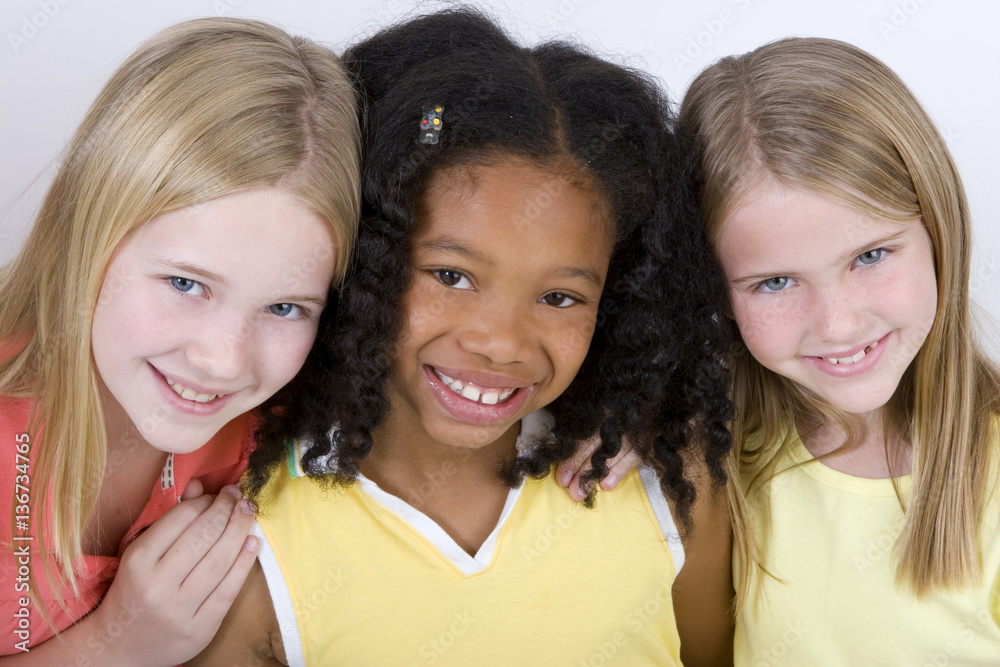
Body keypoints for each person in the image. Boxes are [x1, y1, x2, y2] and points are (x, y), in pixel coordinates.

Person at [191, 9, 735, 667]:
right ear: (367, 257)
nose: (502, 342)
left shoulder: (666, 481)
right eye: (451, 274)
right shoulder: (241, 542)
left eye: (560, 296)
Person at [0, 17, 361, 665]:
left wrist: (596, 413)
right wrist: (115, 647)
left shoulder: (274, 418)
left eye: (284, 306)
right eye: (186, 283)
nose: (223, 359)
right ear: (85, 233)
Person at [680, 37, 1000, 665]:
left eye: (870, 256)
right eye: (775, 282)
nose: (837, 323)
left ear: (938, 231)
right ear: (711, 289)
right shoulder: (706, 453)